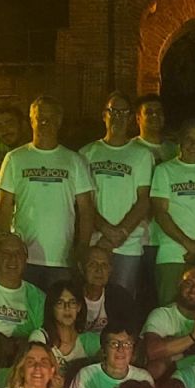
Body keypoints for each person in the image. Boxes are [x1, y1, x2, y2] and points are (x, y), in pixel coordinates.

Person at [0, 95, 94, 289]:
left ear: (59, 121)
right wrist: (3, 246)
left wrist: (82, 247)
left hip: (62, 259)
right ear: (31, 120)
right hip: (22, 259)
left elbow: (86, 209)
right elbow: (4, 206)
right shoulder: (14, 158)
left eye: (50, 118)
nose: (45, 123)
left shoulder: (75, 160)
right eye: (40, 118)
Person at [81, 92, 156, 298]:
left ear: (131, 118)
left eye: (124, 113)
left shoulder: (142, 154)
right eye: (113, 111)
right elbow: (83, 202)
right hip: (95, 243)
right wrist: (105, 230)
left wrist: (120, 233)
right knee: (91, 301)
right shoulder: (86, 153)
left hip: (128, 245)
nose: (118, 117)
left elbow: (144, 201)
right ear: (104, 115)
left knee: (122, 302)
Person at [148, 121, 195, 303]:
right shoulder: (164, 170)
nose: (194, 145)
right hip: (173, 255)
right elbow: (161, 213)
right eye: (189, 139)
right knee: (169, 309)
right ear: (180, 141)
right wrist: (189, 244)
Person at [143, 262, 195, 374]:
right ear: (179, 285)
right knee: (156, 367)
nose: (193, 290)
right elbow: (152, 351)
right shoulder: (161, 314)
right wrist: (194, 335)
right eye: (189, 283)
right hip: (169, 371)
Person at [70, 327, 141, 388]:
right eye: (114, 344)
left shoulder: (142, 378)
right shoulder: (86, 376)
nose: (120, 349)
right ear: (103, 350)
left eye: (127, 344)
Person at [40, 277, 102, 374]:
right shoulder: (41, 338)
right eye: (60, 303)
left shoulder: (89, 341)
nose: (67, 308)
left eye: (72, 302)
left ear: (79, 307)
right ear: (52, 308)